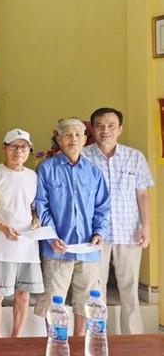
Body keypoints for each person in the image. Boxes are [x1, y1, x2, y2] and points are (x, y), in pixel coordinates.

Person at [34, 118, 110, 336]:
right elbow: (42, 206)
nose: (73, 139)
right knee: (53, 301)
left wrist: (99, 232)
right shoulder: (46, 169)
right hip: (57, 249)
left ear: (85, 140)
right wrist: (52, 237)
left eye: (78, 135)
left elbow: (103, 207)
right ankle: (56, 342)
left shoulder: (94, 172)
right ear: (59, 140)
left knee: (86, 303)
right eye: (68, 135)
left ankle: (79, 343)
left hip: (87, 248)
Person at [82, 107, 152, 334]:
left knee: (129, 289)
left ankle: (133, 340)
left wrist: (146, 227)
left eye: (111, 125)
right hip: (94, 234)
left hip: (129, 231)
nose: (106, 130)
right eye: (100, 126)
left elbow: (143, 194)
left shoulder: (135, 157)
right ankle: (97, 337)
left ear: (120, 129)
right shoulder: (83, 157)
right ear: (93, 130)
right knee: (95, 289)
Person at [0, 129, 44, 338]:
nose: (19, 151)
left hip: (27, 245)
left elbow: (34, 207)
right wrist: (3, 228)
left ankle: (16, 338)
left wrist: (36, 219)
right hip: (0, 245)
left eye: (24, 147)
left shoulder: (33, 176)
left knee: (23, 293)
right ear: (4, 148)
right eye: (14, 146)